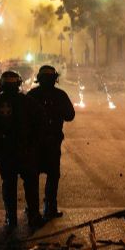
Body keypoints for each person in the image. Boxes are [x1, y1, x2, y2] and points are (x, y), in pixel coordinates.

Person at [0, 71, 46, 230]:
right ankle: (33, 217)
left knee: (8, 185)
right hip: (26, 151)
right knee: (30, 184)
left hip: (5, 152)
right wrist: (34, 144)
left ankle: (11, 219)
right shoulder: (28, 102)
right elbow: (41, 122)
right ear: (18, 84)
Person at [27, 65, 75, 220]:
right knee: (53, 175)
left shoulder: (32, 95)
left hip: (34, 143)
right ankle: (50, 208)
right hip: (52, 142)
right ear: (55, 79)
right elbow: (70, 115)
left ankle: (33, 211)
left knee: (32, 177)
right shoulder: (60, 95)